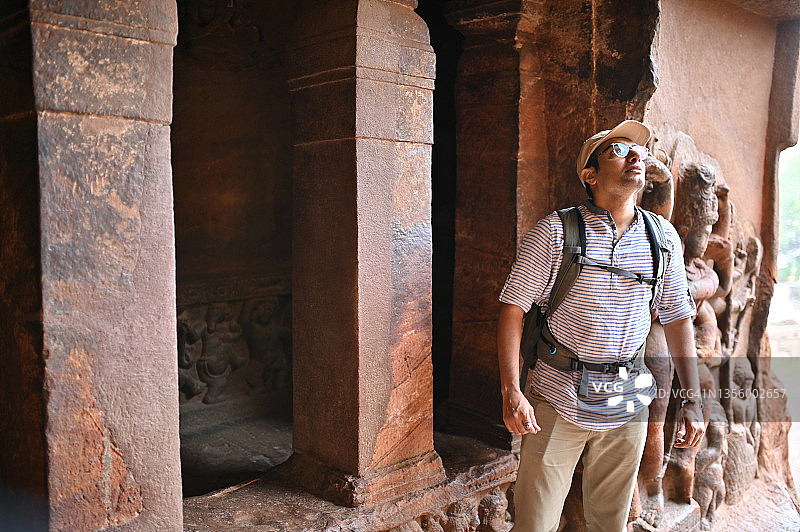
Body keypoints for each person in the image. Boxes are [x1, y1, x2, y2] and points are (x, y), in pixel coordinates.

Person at [496, 120, 706, 532]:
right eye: (618, 151)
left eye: (640, 152)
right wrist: (511, 391)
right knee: (534, 524)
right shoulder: (557, 232)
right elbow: (512, 309)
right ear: (590, 175)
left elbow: (679, 317)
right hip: (556, 403)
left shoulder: (661, 239)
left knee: (611, 525)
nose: (635, 157)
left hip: (628, 405)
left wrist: (694, 400)